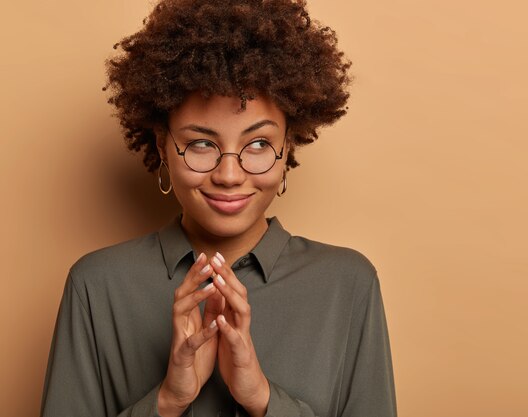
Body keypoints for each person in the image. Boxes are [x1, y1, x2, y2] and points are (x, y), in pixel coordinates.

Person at [40, 0, 396, 416]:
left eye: (259, 144)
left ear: (286, 150)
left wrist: (262, 398)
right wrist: (168, 400)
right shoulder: (96, 286)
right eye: (201, 144)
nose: (229, 174)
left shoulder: (347, 285)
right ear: (163, 149)